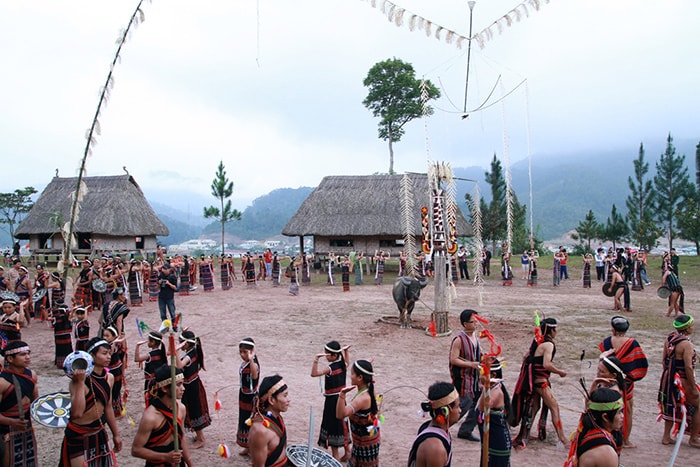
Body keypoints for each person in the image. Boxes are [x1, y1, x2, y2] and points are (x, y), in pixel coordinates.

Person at [59, 337, 122, 466]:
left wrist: (116, 434)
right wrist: (81, 382)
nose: (109, 357)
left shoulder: (109, 377)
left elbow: (108, 407)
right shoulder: (77, 382)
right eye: (104, 353)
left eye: (109, 353)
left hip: (99, 431)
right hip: (79, 435)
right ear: (92, 355)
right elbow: (77, 413)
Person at [512, 317, 568, 448]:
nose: (557, 331)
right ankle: (563, 438)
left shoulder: (538, 340)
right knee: (554, 407)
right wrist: (560, 372)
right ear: (552, 330)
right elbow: (546, 364)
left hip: (534, 381)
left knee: (535, 407)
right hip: (540, 382)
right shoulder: (548, 344)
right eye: (556, 329)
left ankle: (525, 434)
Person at [598, 316, 648, 447]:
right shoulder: (632, 344)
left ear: (613, 329)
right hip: (626, 383)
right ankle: (625, 440)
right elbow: (640, 363)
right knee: (627, 410)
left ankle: (607, 435)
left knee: (608, 408)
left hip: (608, 380)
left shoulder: (607, 342)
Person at [131, 365, 194, 466]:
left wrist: (190, 463)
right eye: (178, 385)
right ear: (164, 388)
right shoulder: (150, 417)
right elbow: (136, 450)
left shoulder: (181, 409)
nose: (183, 388)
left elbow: (181, 439)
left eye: (182, 384)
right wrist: (165, 457)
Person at [658, 313, 700, 447]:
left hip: (668, 378)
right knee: (698, 405)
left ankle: (666, 437)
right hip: (682, 380)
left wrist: (669, 376)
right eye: (691, 326)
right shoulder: (686, 344)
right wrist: (692, 386)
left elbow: (664, 360)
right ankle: (693, 438)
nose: (693, 328)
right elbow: (688, 367)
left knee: (671, 404)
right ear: (687, 329)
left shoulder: (670, 338)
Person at [311, 341, 351, 462]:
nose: (325, 356)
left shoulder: (330, 368)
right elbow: (348, 362)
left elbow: (313, 374)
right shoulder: (342, 365)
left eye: (327, 354)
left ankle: (336, 457)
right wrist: (346, 351)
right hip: (342, 400)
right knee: (343, 424)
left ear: (334, 356)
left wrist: (316, 359)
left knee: (333, 426)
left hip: (332, 402)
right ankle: (347, 451)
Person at [0, 340, 38, 467]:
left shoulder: (32, 375)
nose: (27, 357)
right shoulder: (2, 382)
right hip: (6, 431)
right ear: (10, 359)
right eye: (22, 355)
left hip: (26, 427)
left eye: (28, 353)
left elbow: (35, 402)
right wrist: (12, 422)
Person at [564, 387, 624, 467]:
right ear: (605, 417)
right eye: (619, 412)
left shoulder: (587, 430)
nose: (622, 416)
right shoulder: (606, 453)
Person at [336, 360, 380, 467]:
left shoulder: (362, 399)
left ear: (360, 378)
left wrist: (342, 395)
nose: (350, 376)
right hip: (370, 439)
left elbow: (340, 414)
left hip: (363, 444)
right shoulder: (369, 390)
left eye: (352, 374)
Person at [407, 381, 460, 467]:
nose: (460, 411)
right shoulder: (435, 448)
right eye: (457, 407)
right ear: (444, 411)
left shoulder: (429, 427)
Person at [449, 309, 481, 441]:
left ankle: (466, 430)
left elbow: (476, 353)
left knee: (479, 403)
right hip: (462, 378)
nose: (476, 324)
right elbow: (453, 359)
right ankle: (441, 426)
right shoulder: (459, 340)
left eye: (477, 321)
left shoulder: (475, 336)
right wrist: (471, 365)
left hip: (475, 378)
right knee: (464, 404)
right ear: (465, 324)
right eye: (473, 322)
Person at [177, 330, 211, 449]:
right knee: (193, 410)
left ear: (185, 344)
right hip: (194, 384)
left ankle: (201, 438)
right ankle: (199, 435)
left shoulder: (188, 356)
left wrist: (175, 351)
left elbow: (179, 365)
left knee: (194, 411)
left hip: (191, 387)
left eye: (180, 342)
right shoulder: (194, 350)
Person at [477, 357, 512, 467]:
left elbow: (482, 408)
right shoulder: (490, 389)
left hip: (497, 442)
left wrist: (485, 386)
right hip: (489, 440)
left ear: (494, 376)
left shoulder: (495, 392)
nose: (480, 376)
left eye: (483, 373)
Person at [249, 374, 290, 467]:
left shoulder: (277, 417)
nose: (288, 400)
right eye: (285, 396)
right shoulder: (260, 431)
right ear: (271, 400)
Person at [236, 338, 260, 455]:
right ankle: (248, 446)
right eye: (240, 351)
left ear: (251, 351)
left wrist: (251, 359)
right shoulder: (245, 363)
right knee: (244, 420)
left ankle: (255, 452)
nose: (242, 354)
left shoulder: (253, 364)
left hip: (250, 398)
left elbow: (254, 376)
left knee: (250, 422)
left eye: (245, 352)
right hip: (243, 396)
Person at [103, 326, 127, 418]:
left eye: (107, 336)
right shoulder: (103, 347)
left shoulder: (116, 346)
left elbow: (116, 354)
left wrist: (123, 372)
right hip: (108, 371)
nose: (105, 338)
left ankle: (116, 410)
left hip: (116, 371)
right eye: (104, 335)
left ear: (114, 337)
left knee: (116, 390)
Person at [52, 301, 73, 369]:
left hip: (59, 337)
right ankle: (69, 361)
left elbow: (51, 322)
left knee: (60, 350)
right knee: (67, 349)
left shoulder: (56, 317)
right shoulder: (67, 317)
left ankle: (61, 363)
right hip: (66, 336)